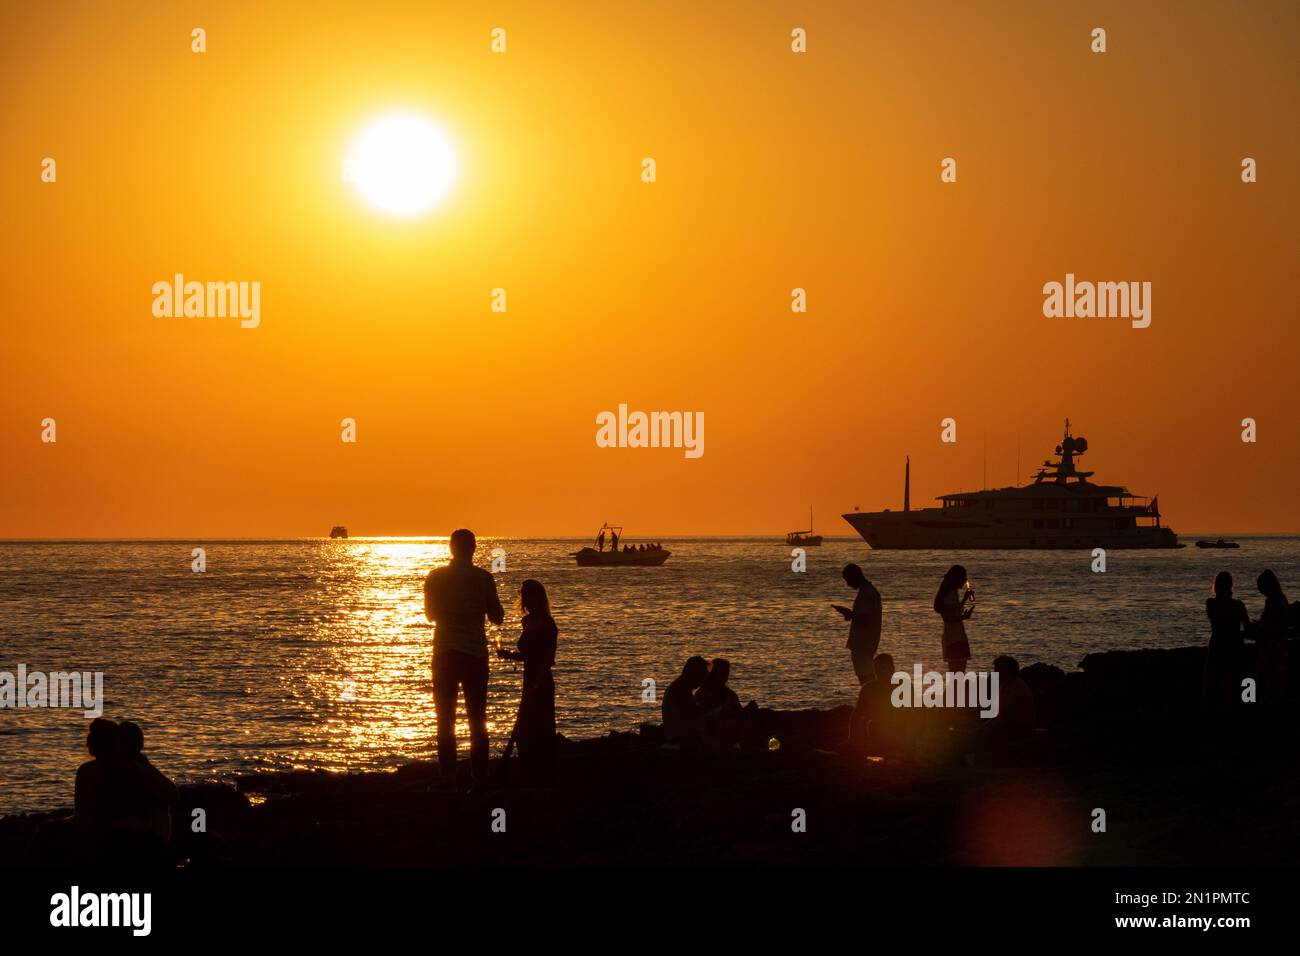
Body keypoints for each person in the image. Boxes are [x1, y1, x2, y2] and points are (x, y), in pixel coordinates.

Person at [424, 529, 505, 785]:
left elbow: (430, 616)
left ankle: (448, 777)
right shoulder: (484, 578)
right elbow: (497, 617)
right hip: (474, 654)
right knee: (477, 718)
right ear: (473, 549)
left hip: (445, 652)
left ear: (451, 548)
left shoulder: (435, 577)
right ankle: (479, 775)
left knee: (445, 718)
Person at [497, 579, 558, 778]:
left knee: (538, 726)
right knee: (526, 728)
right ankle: (529, 768)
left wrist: (536, 683)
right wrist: (509, 655)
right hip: (530, 678)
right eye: (523, 594)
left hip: (540, 680)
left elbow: (547, 658)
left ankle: (541, 771)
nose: (524, 599)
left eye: (527, 594)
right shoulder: (528, 621)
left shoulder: (548, 624)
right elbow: (528, 655)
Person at [1204, 571, 1249, 711]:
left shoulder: (1211, 603)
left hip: (1217, 646)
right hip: (1235, 647)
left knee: (1214, 686)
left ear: (1216, 585)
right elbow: (1247, 629)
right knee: (1240, 682)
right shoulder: (1239, 605)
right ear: (1231, 585)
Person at [1253, 569, 1290, 707]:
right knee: (1278, 683)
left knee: (1268, 682)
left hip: (1272, 648)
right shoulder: (1282, 599)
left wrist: (1258, 627)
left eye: (1260, 587)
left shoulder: (1272, 601)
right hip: (1281, 646)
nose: (1259, 590)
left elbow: (1269, 626)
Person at [934, 565, 973, 672]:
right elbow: (949, 618)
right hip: (955, 638)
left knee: (956, 672)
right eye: (963, 577)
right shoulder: (949, 595)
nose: (965, 581)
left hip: (954, 637)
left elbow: (953, 613)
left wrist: (965, 598)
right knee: (958, 672)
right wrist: (963, 617)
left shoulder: (952, 594)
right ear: (957, 578)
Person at [662, 656, 709, 744]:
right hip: (679, 739)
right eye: (702, 677)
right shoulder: (680, 690)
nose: (702, 682)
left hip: (678, 735)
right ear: (694, 674)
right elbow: (692, 716)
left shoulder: (681, 688)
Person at [990, 656, 1036, 735]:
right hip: (1010, 725)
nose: (994, 673)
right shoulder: (1005, 685)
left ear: (1006, 671)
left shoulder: (1016, 685)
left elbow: (1004, 715)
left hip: (1021, 728)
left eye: (996, 670)